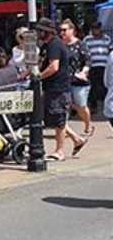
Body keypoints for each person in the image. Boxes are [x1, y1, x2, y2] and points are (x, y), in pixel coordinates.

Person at [37, 18, 88, 161]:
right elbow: (39, 62)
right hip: (53, 87)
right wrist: (25, 74)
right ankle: (77, 139)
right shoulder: (47, 45)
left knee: (58, 118)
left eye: (41, 30)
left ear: (47, 32)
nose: (39, 33)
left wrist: (39, 77)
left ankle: (59, 151)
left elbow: (54, 67)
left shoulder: (54, 45)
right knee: (55, 117)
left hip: (58, 87)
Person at [59, 19, 94, 137]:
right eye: (61, 30)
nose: (62, 33)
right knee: (65, 106)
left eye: (64, 30)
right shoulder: (60, 45)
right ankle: (65, 129)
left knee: (80, 105)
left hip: (79, 81)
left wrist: (84, 72)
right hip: (65, 81)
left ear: (72, 30)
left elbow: (88, 61)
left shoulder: (80, 44)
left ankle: (88, 125)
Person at [83, 21, 110, 119]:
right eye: (94, 29)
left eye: (97, 29)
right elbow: (85, 52)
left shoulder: (107, 39)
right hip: (93, 66)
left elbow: (110, 51)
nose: (95, 31)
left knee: (104, 85)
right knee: (93, 86)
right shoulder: (87, 39)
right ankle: (93, 106)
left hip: (104, 66)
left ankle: (105, 105)